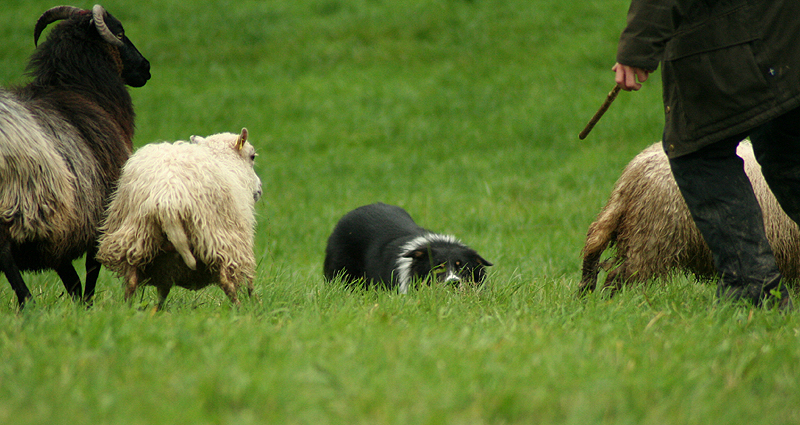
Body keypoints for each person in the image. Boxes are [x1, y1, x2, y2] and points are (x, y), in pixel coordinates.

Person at [614, 0, 800, 308]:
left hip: (735, 40)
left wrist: (637, 47)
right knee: (789, 156)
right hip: (788, 36)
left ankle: (753, 291)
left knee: (699, 154)